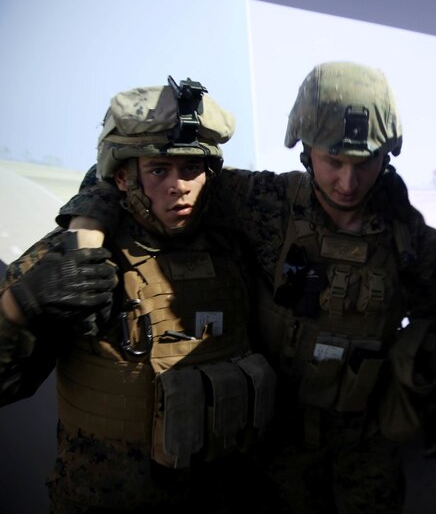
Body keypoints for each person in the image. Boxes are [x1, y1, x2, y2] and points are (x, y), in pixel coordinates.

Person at [58, 61, 436, 514]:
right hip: (279, 439)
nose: (348, 183)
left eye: (364, 164)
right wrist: (84, 231)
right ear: (306, 149)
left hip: (367, 438)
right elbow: (136, 175)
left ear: (385, 158)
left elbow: (434, 321)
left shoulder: (408, 236)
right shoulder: (266, 204)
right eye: (333, 161)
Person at [0, 77, 275, 513]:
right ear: (126, 176)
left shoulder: (232, 247)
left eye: (191, 169)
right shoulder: (79, 255)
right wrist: (18, 306)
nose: (178, 186)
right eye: (159, 169)